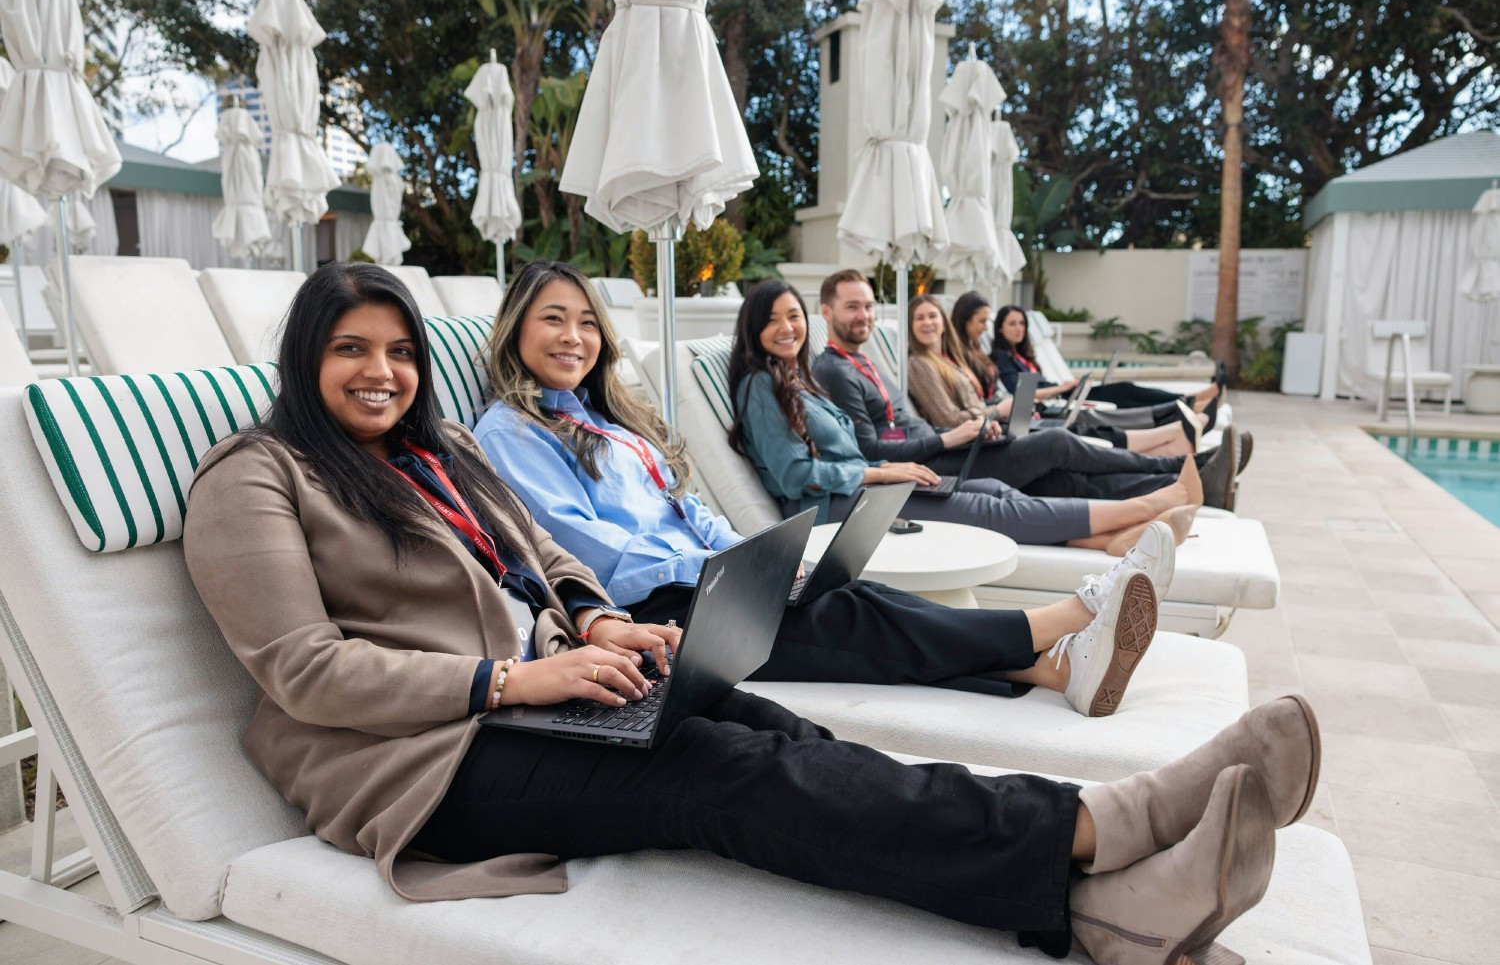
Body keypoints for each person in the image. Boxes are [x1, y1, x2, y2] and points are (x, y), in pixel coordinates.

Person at [183, 259, 1321, 965]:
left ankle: (1088, 905)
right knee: (724, 778)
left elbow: (541, 559)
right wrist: (509, 680)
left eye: (396, 351)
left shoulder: (435, 452)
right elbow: (304, 669)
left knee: (779, 733)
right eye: (351, 350)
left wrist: (592, 624)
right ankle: (1100, 828)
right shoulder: (259, 477)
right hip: (424, 763)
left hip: (539, 699)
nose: (381, 371)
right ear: (305, 358)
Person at [474, 259, 1170, 711]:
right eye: (553, 320)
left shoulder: (606, 420)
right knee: (848, 621)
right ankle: (1060, 623)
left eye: (587, 322)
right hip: (651, 608)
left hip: (703, 579)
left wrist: (759, 556)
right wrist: (722, 571)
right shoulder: (510, 431)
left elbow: (683, 509)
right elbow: (585, 551)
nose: (574, 337)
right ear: (516, 331)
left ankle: (1052, 671)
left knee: (851, 596)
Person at [731, 278, 1201, 554]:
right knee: (987, 507)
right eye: (772, 319)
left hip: (863, 488)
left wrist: (885, 472)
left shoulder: (798, 379)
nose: (787, 327)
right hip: (833, 510)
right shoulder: (760, 385)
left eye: (793, 316)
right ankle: (1144, 506)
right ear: (755, 328)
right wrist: (879, 471)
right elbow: (795, 476)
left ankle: (1109, 540)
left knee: (994, 488)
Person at [812, 270, 1240, 510]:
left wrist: (970, 430)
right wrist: (951, 436)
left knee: (1060, 480)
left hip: (952, 447)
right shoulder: (834, 369)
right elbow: (870, 448)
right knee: (1055, 442)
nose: (864, 315)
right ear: (826, 311)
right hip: (939, 465)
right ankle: (1177, 468)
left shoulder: (866, 361)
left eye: (868, 305)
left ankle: (1193, 483)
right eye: (853, 306)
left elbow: (904, 425)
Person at [907, 295, 1197, 458]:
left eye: (933, 316)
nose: (928, 323)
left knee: (1077, 428)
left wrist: (1003, 409)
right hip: (979, 436)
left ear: (944, 323)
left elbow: (974, 403)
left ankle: (1170, 443)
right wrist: (997, 410)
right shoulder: (920, 364)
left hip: (994, 423)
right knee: (1066, 435)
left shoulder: (951, 359)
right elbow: (946, 418)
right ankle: (1169, 444)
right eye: (919, 318)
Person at [992, 303, 1223, 414]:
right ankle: (1185, 402)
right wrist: (1061, 387)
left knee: (1126, 393)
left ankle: (1185, 402)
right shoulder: (1002, 359)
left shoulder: (1023, 355)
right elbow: (1020, 393)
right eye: (1012, 324)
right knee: (1125, 390)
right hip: (1060, 398)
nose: (1019, 328)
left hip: (1064, 392)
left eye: (1022, 323)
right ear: (1000, 329)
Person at [950, 290, 1001, 401]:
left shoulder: (975, 346)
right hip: (984, 410)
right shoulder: (955, 352)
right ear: (966, 321)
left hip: (994, 405)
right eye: (982, 321)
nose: (986, 327)